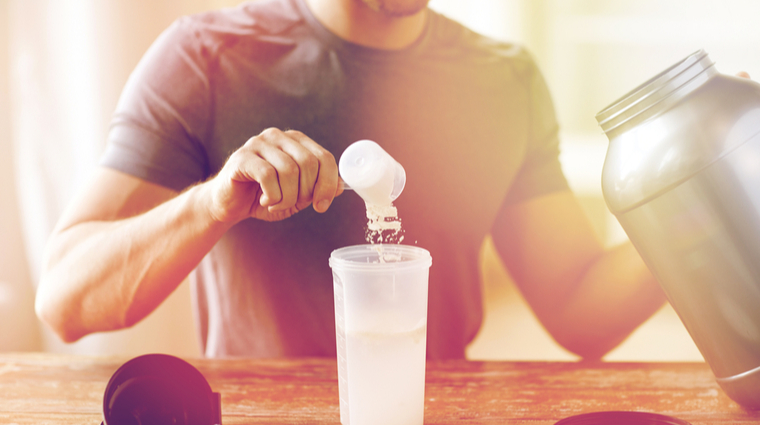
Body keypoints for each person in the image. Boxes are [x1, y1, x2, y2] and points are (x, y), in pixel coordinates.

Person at [35, 0, 665, 359]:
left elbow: (581, 309)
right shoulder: (207, 58)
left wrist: (700, 203)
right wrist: (212, 204)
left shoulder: (505, 79)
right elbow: (64, 301)